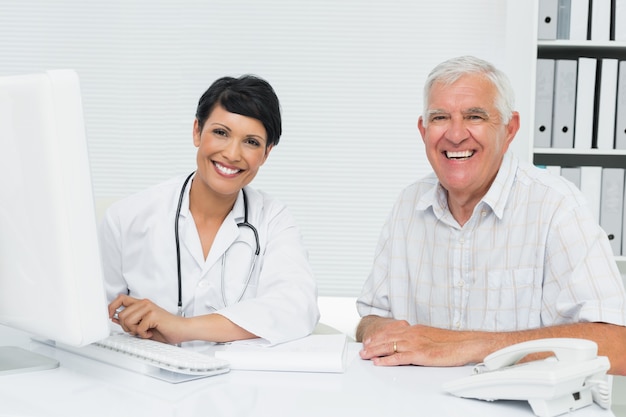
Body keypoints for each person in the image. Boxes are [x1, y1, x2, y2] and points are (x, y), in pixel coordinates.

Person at [356, 55, 626, 375]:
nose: (456, 135)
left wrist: (465, 345)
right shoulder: (408, 204)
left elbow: (618, 345)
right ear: (423, 129)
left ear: (509, 129)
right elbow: (370, 319)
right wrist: (386, 334)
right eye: (440, 117)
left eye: (474, 116)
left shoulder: (557, 206)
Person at [99, 75, 319, 346]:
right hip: (145, 379)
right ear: (196, 132)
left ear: (266, 154)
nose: (232, 153)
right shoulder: (126, 218)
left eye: (251, 142)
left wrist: (181, 328)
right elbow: (97, 318)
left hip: (240, 384)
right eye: (221, 133)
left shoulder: (273, 220)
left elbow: (297, 307)